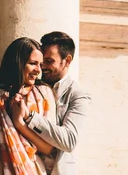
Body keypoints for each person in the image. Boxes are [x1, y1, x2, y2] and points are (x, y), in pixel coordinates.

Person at [0, 37, 57, 175]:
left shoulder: (44, 94)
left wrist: (20, 124)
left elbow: (48, 146)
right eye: (33, 63)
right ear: (18, 63)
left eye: (41, 64)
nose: (39, 70)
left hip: (31, 168)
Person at [11, 31, 91, 175]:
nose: (42, 67)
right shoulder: (30, 86)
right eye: (42, 62)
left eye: (49, 61)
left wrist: (30, 117)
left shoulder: (78, 95)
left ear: (67, 60)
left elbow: (69, 140)